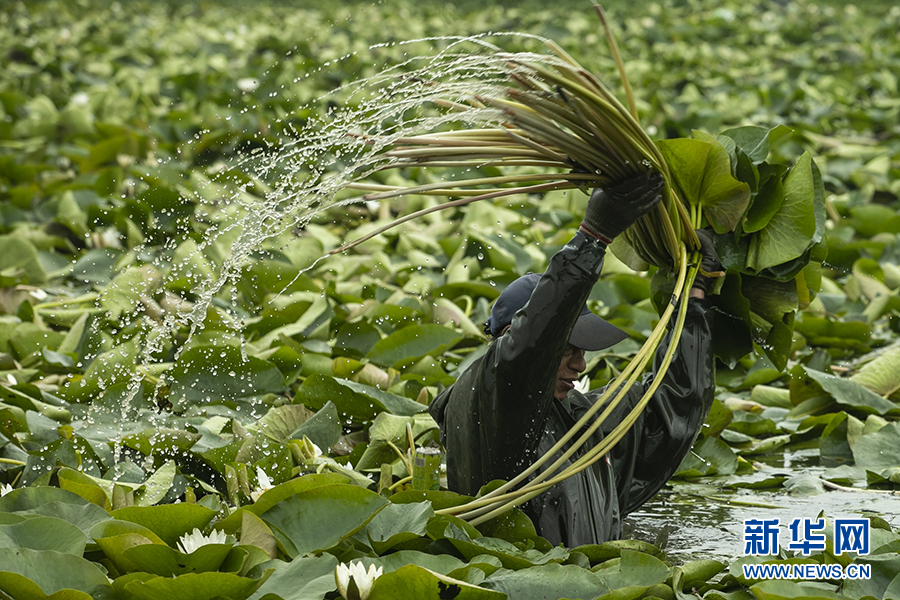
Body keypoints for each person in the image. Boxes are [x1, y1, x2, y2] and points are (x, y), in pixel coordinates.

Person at [428, 171, 719, 547]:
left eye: (581, 351)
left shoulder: (582, 424)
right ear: (509, 341)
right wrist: (592, 238)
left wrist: (695, 298)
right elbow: (531, 345)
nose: (580, 366)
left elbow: (673, 406)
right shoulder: (489, 405)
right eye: (566, 350)